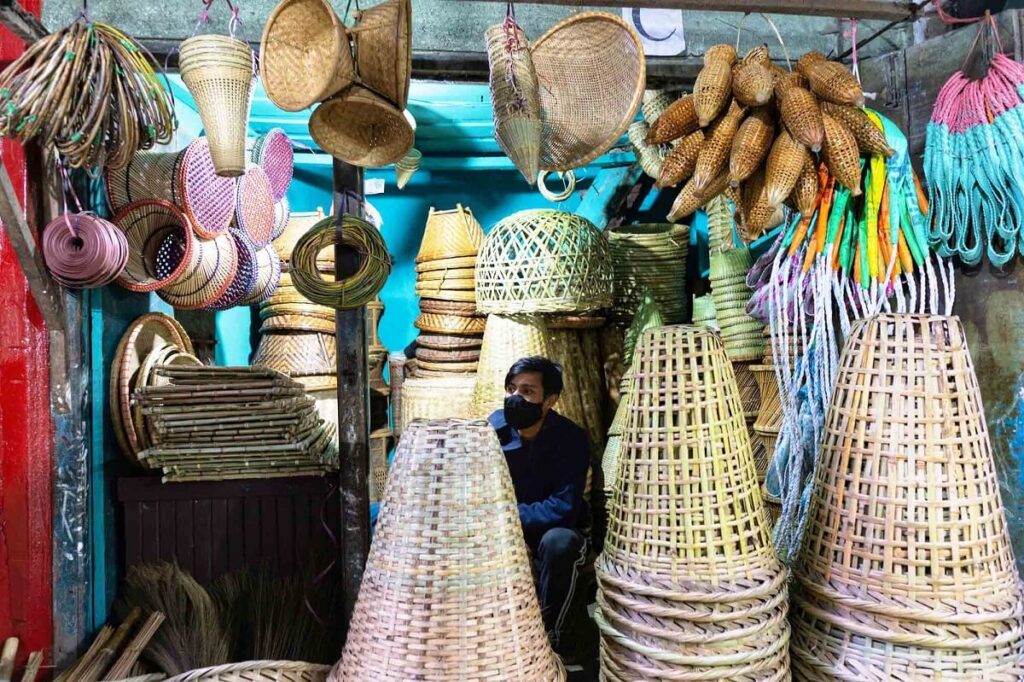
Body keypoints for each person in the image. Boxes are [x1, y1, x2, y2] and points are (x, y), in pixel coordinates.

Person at [487, 356, 592, 655]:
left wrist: (507, 516)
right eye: (511, 389)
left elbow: (562, 508)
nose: (515, 398)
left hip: (552, 529)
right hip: (502, 526)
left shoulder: (570, 439)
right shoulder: (492, 431)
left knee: (560, 543)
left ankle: (550, 640)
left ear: (549, 401)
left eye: (527, 392)